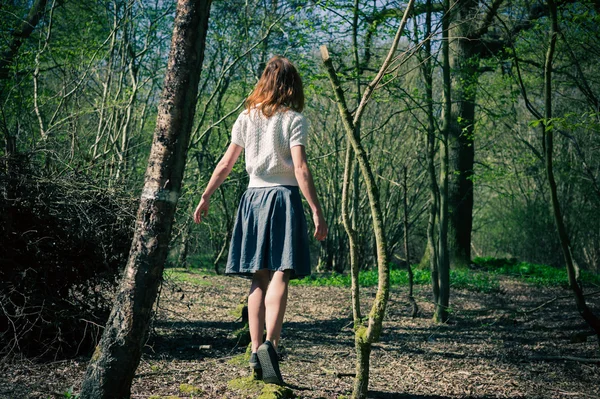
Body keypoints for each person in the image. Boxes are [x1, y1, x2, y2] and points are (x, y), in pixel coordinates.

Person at [193, 55, 327, 385]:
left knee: (258, 276)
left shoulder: (246, 118)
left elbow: (226, 163)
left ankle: (254, 350)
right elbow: (300, 168)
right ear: (292, 85)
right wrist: (316, 210)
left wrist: (206, 195)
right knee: (282, 270)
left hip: (252, 199)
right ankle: (271, 345)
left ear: (264, 82)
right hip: (283, 197)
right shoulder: (294, 119)